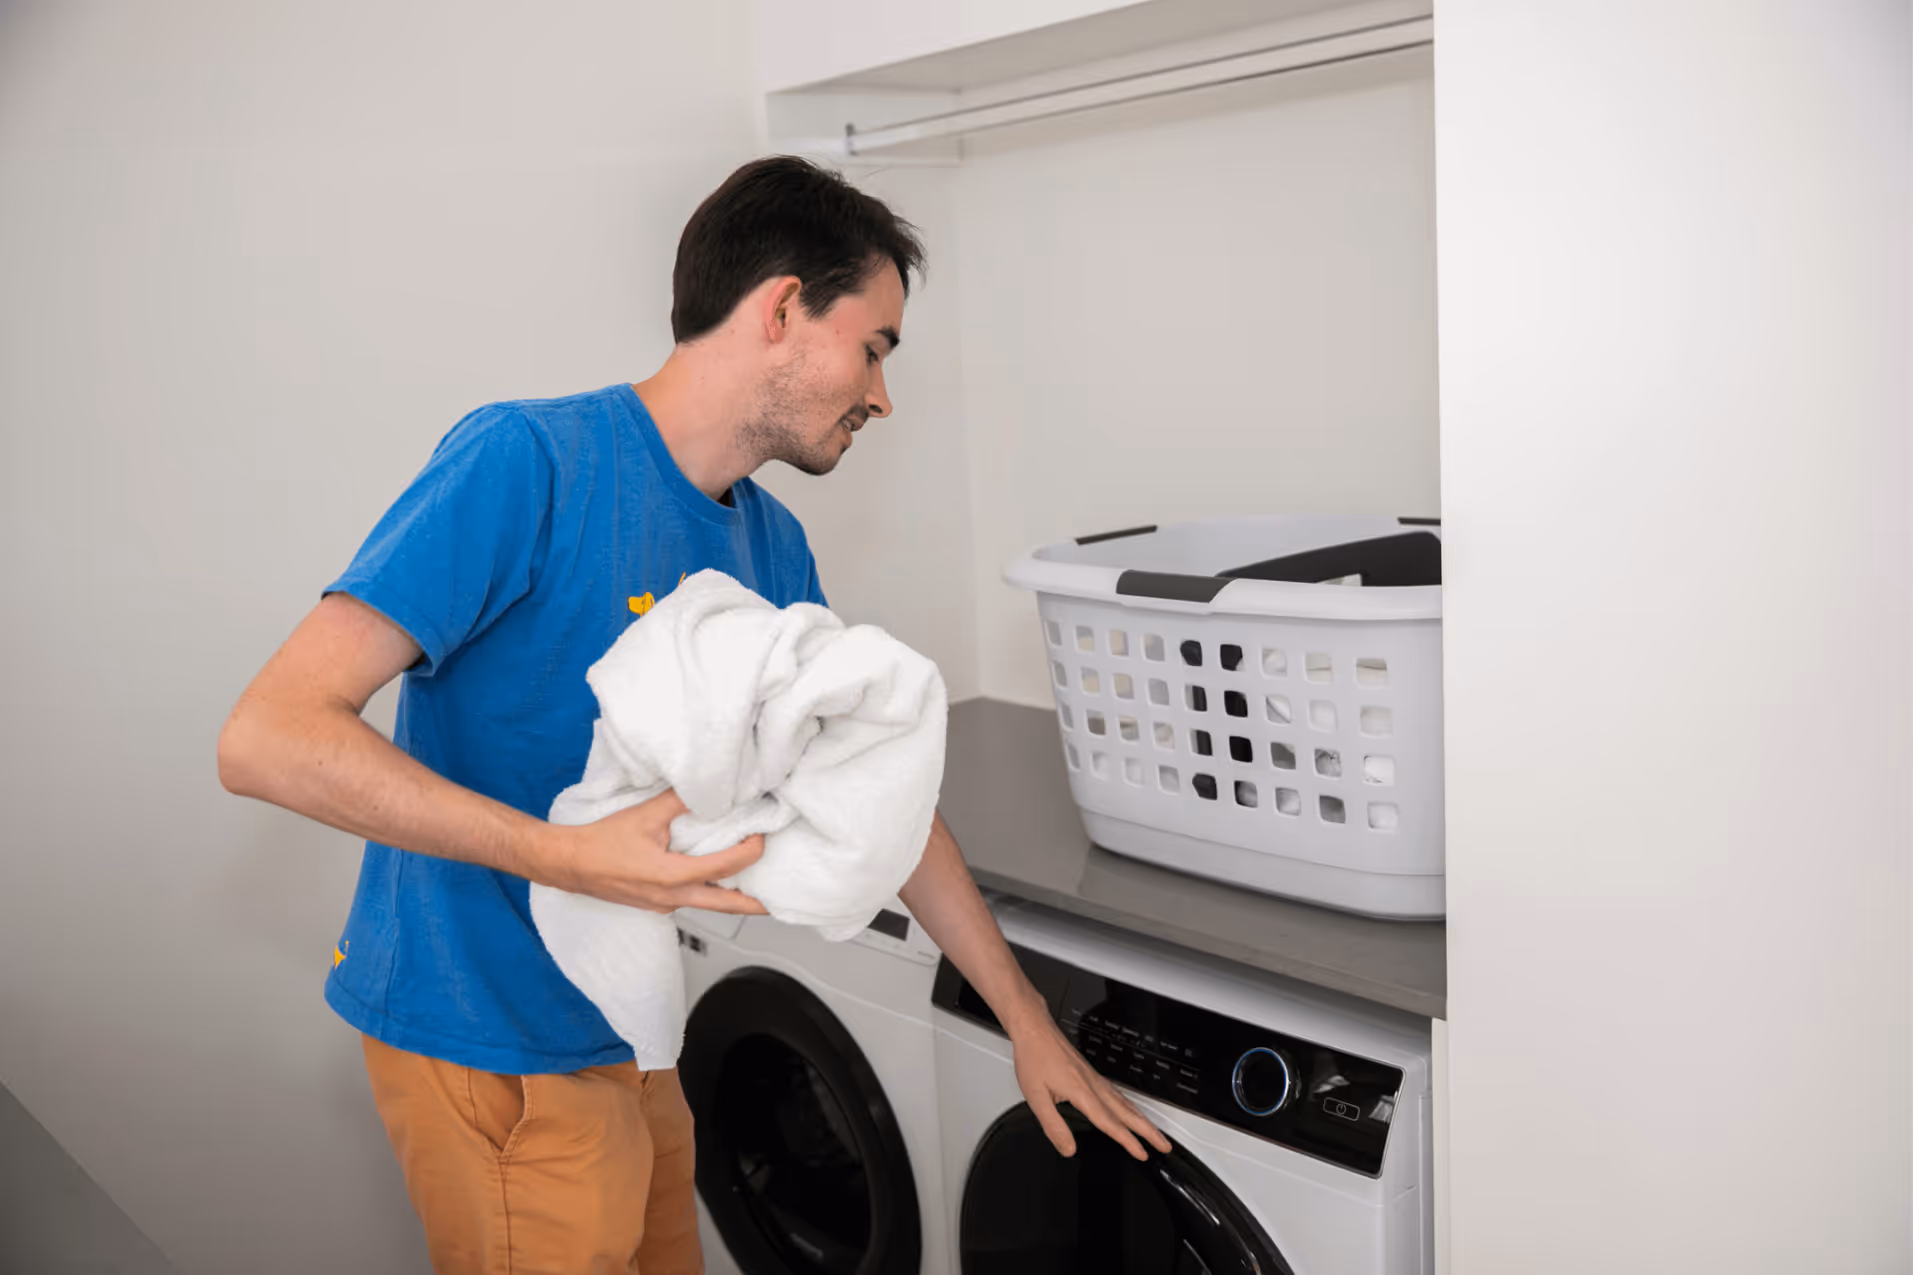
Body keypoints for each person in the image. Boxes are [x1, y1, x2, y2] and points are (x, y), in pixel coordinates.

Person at [216, 155, 1170, 1274]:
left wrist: (1025, 1022)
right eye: (873, 346)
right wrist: (569, 859)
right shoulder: (529, 463)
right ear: (779, 308)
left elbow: (872, 792)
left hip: (634, 1029)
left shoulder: (770, 547)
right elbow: (268, 735)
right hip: (492, 1037)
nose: (880, 394)